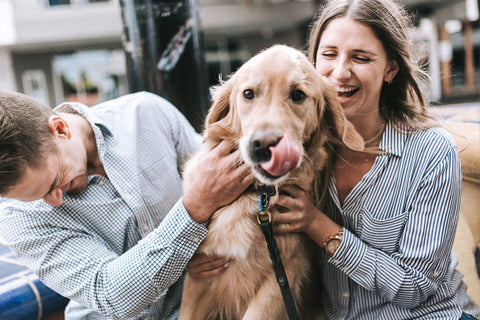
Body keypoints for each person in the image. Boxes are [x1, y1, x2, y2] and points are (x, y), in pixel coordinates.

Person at [273, 0, 480, 319]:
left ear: (390, 69)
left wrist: (317, 223)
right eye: (329, 54)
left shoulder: (431, 151)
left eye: (361, 57)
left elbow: (415, 286)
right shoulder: (298, 148)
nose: (340, 72)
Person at [0, 90, 255, 319]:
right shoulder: (17, 218)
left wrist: (295, 213)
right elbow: (111, 294)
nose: (54, 202)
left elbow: (232, 191)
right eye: (39, 197)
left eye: (54, 182)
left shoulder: (148, 115)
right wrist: (194, 210)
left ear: (60, 129)